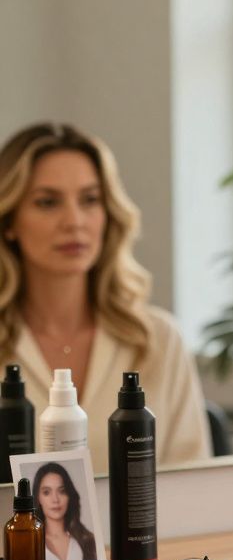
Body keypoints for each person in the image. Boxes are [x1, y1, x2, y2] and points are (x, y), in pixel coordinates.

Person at [0, 123, 211, 473]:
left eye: (90, 200)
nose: (75, 221)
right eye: (47, 202)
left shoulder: (158, 339)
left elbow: (194, 484)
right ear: (9, 221)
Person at [33, 461, 97, 560]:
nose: (55, 499)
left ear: (69, 496)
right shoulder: (31, 542)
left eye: (62, 491)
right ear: (38, 498)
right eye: (46, 492)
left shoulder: (87, 540)